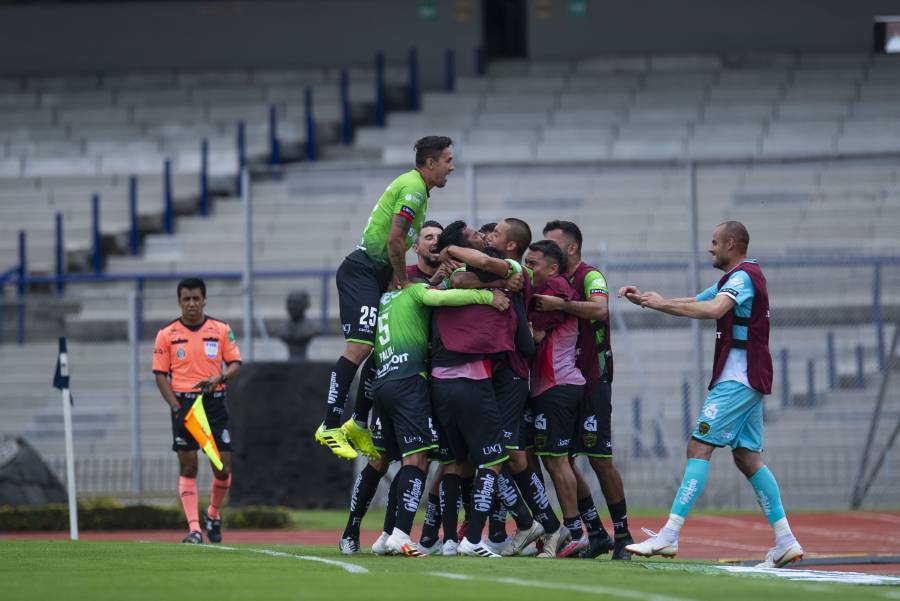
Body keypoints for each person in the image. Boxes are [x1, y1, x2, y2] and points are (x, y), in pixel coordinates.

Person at [619, 221, 804, 568]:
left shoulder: (742, 278)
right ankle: (785, 540)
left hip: (738, 378)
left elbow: (713, 310)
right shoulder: (736, 278)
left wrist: (661, 305)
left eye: (715, 242)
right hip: (748, 377)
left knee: (698, 446)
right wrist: (649, 300)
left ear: (732, 244)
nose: (710, 248)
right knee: (747, 457)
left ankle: (670, 534)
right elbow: (698, 300)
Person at [315, 136, 455, 460]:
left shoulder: (419, 191)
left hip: (376, 273)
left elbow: (395, 242)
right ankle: (329, 424)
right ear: (430, 163)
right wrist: (403, 281)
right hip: (361, 271)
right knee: (360, 347)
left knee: (383, 346)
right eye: (447, 160)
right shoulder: (414, 188)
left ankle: (358, 422)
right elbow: (394, 241)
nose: (452, 166)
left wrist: (394, 277)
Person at [368, 280, 511, 557]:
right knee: (419, 460)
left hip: (390, 381)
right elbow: (444, 298)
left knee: (435, 462)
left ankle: (391, 535)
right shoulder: (416, 290)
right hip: (413, 381)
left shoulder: (387, 299)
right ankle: (401, 534)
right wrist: (486, 295)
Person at [539, 220, 634, 559]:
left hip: (593, 380)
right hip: (564, 383)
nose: (547, 249)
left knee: (599, 458)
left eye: (552, 244)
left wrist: (561, 305)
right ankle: (595, 532)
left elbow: (599, 309)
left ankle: (623, 535)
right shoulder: (554, 282)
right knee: (561, 458)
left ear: (572, 248)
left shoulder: (590, 277)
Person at [152, 278, 242, 544]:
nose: (191, 304)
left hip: (213, 403)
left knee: (222, 468)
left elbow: (236, 363)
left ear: (204, 300)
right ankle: (194, 529)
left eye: (196, 299)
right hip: (185, 406)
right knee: (189, 467)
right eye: (186, 299)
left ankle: (213, 514)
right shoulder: (166, 334)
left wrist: (220, 378)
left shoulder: (221, 330)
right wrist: (176, 407)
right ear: (179, 302)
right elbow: (159, 375)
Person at [523, 240, 587, 558]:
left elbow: (534, 336)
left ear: (552, 268)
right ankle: (566, 530)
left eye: (532, 263)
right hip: (549, 387)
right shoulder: (545, 291)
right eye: (525, 261)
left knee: (558, 461)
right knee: (552, 460)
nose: (526, 267)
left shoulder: (556, 287)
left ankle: (572, 532)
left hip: (558, 385)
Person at [275, 290, 318, 361]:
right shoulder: (281, 328)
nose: (292, 307)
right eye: (289, 303)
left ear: (305, 305)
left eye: (296, 303)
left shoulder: (312, 328)